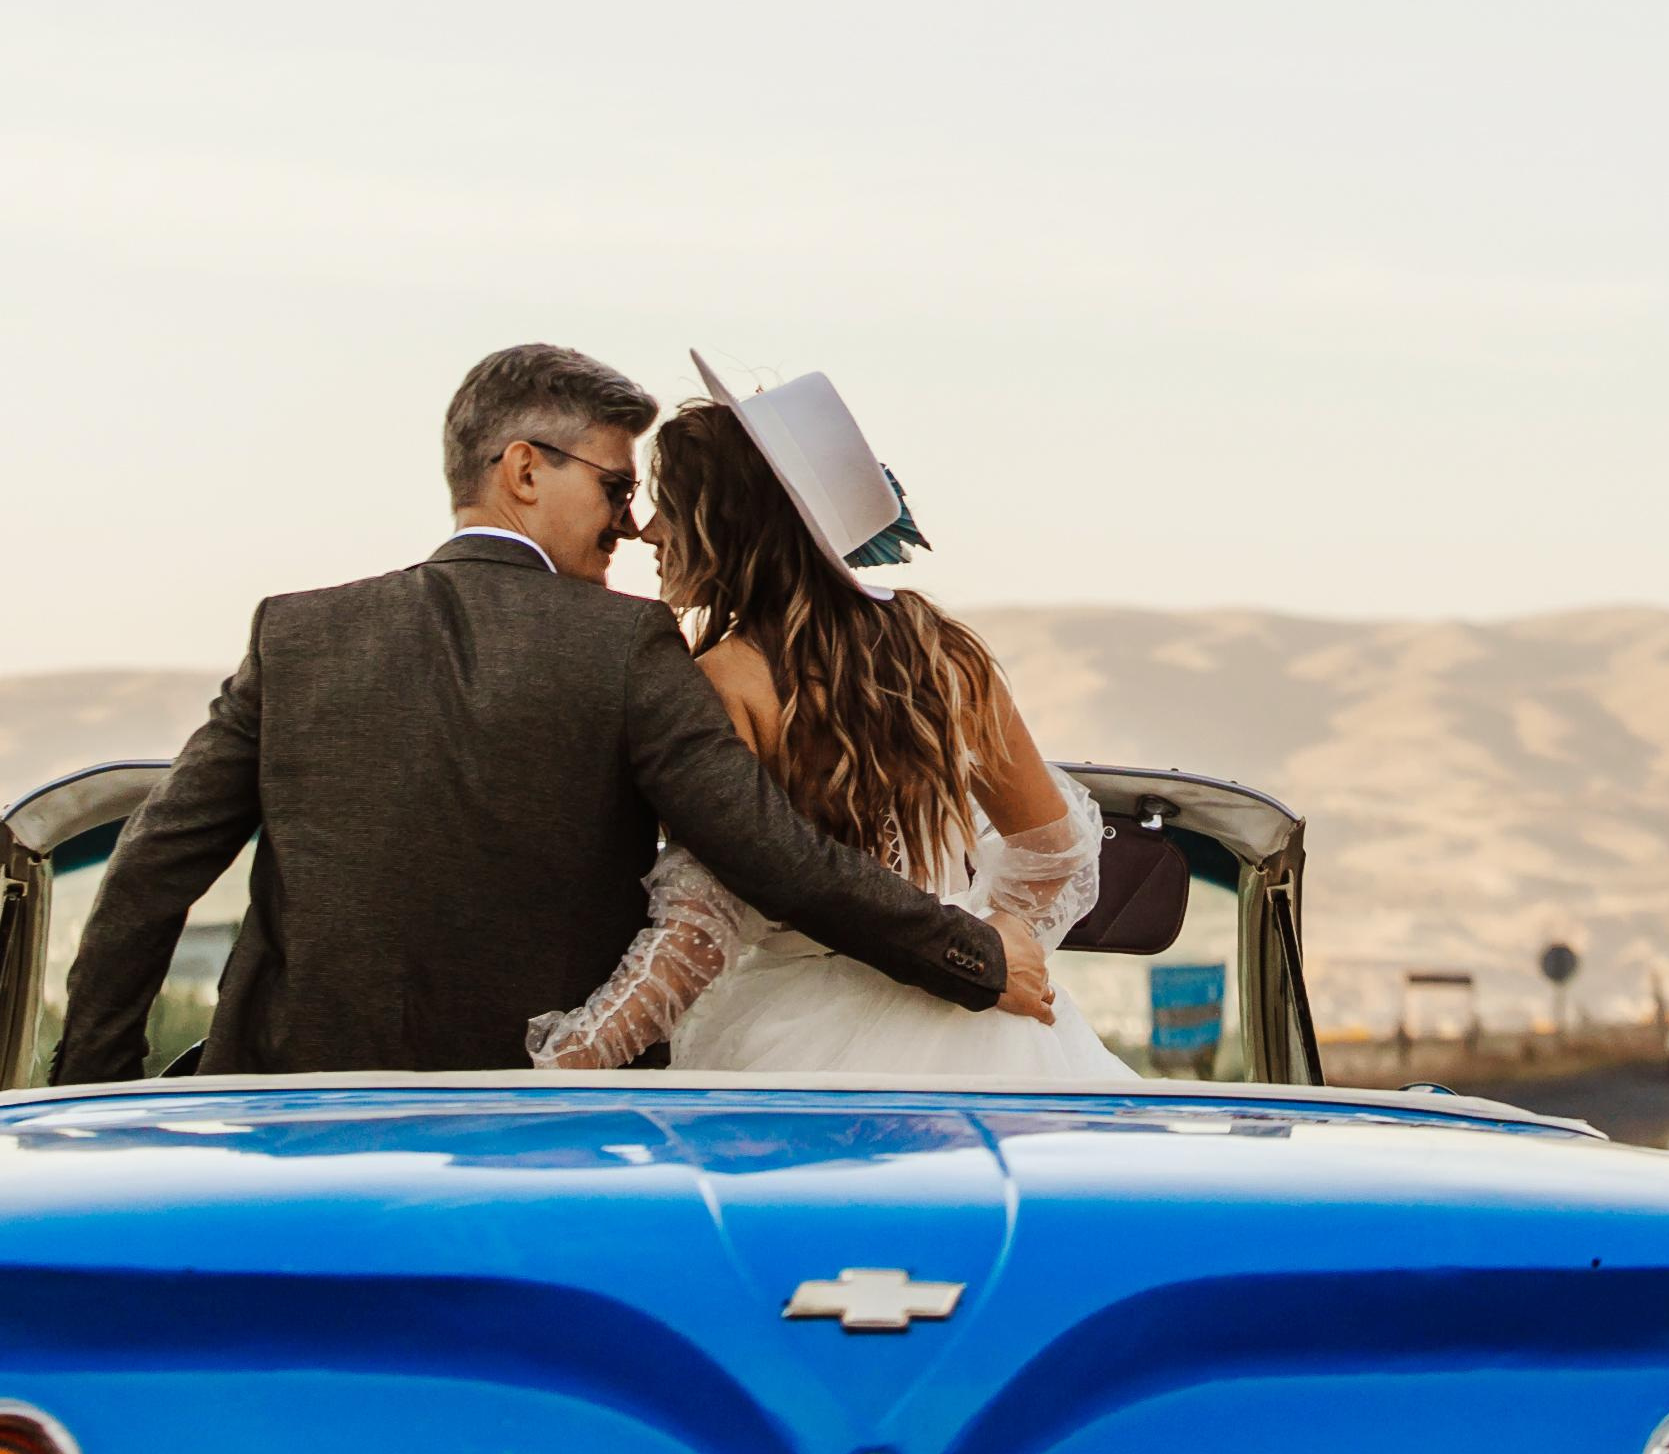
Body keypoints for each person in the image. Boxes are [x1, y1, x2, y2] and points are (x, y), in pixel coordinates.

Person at [52, 342, 1052, 1083]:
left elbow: (151, 867)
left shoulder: (297, 633)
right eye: (618, 487)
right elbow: (773, 855)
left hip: (289, 1114)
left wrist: (91, 1088)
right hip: (540, 1135)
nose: (630, 520)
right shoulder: (627, 646)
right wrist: (971, 954)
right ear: (526, 470)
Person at [526, 355, 1135, 1083]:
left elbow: (696, 937)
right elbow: (1057, 849)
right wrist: (1000, 942)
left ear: (729, 526)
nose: (647, 532)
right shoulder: (944, 655)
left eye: (670, 506)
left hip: (795, 1044)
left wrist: (561, 1061)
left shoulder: (727, 681)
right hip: (990, 1043)